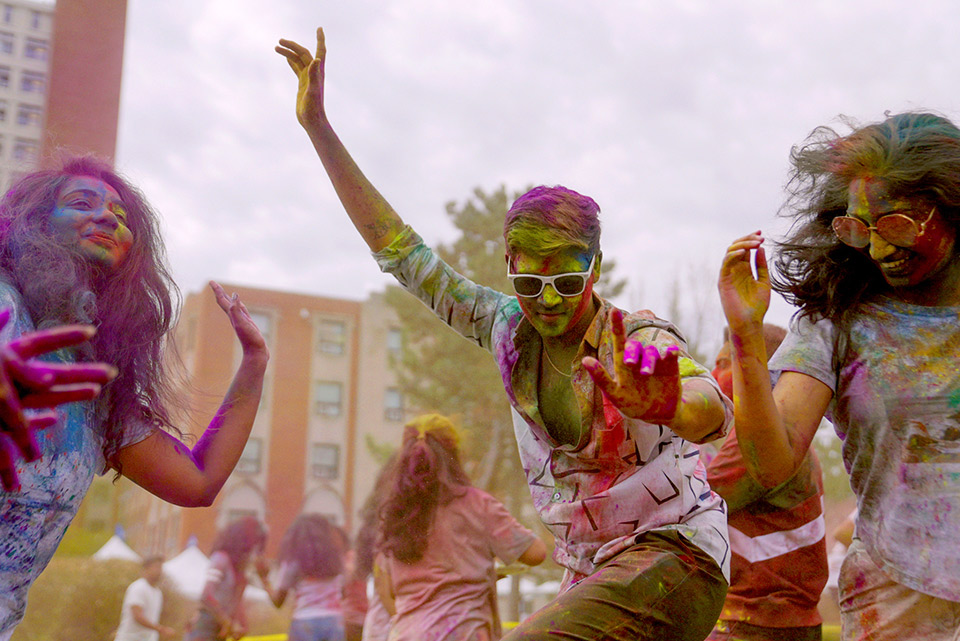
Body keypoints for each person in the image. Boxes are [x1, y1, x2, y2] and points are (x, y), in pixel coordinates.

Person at [276, 28, 732, 640]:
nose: (547, 302)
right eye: (530, 283)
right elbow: (401, 253)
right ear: (509, 267)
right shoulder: (502, 327)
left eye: (567, 284)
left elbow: (713, 410)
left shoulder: (634, 336)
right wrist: (320, 131)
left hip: (677, 555)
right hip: (589, 572)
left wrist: (673, 403)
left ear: (594, 269)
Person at [0, 156, 269, 639]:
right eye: (81, 203)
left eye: (121, 216)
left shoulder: (95, 389)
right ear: (32, 222)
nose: (107, 217)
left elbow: (196, 483)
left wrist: (253, 364)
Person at [718, 111, 960, 640]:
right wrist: (745, 335)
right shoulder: (836, 319)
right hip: (897, 604)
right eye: (859, 228)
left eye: (896, 224)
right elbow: (772, 461)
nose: (876, 249)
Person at [373, 414, 546, 641]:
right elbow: (536, 553)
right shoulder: (477, 505)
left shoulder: (396, 515)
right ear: (455, 456)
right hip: (463, 633)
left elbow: (386, 589)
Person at [705, 324, 828, 641]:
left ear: (757, 374)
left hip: (756, 622)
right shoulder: (789, 438)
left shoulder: (759, 442)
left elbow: (692, 507)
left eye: (723, 364)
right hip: (778, 621)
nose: (713, 375)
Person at [259, 513, 348, 641]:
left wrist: (264, 579)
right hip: (334, 621)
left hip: (304, 621)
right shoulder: (336, 560)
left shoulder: (294, 561)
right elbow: (344, 593)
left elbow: (278, 601)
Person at [186, 516, 267, 641]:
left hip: (221, 628)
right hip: (206, 625)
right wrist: (227, 621)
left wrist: (242, 624)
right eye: (252, 545)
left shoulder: (240, 570)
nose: (253, 551)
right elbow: (207, 595)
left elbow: (236, 602)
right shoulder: (220, 559)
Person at [114, 555, 175, 641]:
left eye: (160, 568)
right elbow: (137, 616)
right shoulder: (138, 587)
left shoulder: (158, 593)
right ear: (146, 569)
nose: (159, 571)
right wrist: (161, 629)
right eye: (156, 567)